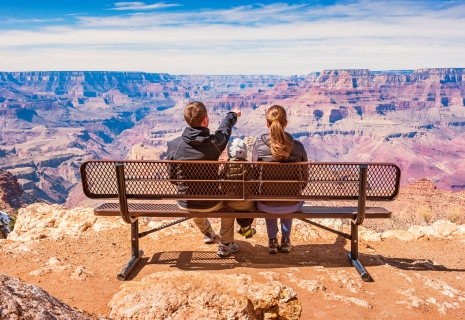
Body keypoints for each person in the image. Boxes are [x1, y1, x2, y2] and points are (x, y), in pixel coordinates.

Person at [165, 101, 241, 257]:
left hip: (185, 203)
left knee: (192, 200)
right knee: (231, 204)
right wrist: (232, 115)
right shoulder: (215, 143)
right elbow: (224, 130)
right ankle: (226, 244)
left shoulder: (175, 145)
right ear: (205, 120)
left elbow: (173, 179)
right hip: (211, 202)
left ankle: (207, 233)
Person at [252, 105, 308, 254]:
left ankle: (272, 240)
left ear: (267, 124)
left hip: (266, 204)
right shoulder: (298, 147)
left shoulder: (258, 146)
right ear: (286, 123)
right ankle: (285, 240)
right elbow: (304, 179)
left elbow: (254, 176)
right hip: (293, 203)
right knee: (287, 194)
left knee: (268, 195)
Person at [222, 138, 256, 238]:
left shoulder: (226, 167)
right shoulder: (248, 167)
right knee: (248, 203)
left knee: (236, 203)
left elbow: (222, 185)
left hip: (230, 203)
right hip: (248, 204)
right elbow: (254, 187)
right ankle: (246, 228)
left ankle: (245, 228)